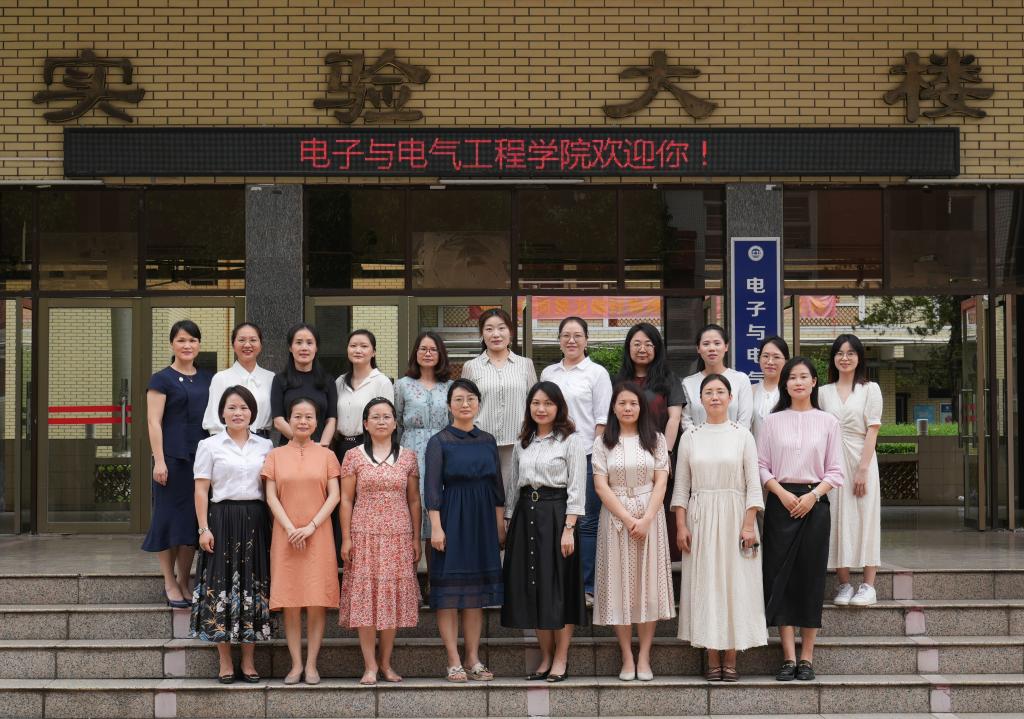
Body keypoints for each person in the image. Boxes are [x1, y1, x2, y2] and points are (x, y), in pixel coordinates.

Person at [672, 374, 767, 683]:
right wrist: (681, 525)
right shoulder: (691, 436)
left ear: (730, 398)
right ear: (700, 400)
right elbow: (681, 486)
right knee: (706, 585)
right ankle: (712, 655)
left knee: (736, 585)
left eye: (720, 392)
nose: (714, 397)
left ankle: (732, 657)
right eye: (708, 392)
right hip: (700, 519)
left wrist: (749, 525)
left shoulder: (743, 435)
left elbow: (753, 484)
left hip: (737, 518)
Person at [757, 357, 844, 682]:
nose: (797, 382)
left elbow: (836, 470)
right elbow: (761, 465)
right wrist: (781, 493)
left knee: (810, 578)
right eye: (792, 377)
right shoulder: (771, 421)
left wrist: (813, 496)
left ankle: (807, 657)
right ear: (785, 383)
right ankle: (788, 657)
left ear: (814, 382)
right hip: (780, 503)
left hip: (814, 505)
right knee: (780, 577)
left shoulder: (828, 422)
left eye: (803, 377)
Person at [502, 381, 588, 684]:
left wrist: (569, 528)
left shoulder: (570, 441)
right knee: (533, 586)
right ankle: (546, 656)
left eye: (548, 403)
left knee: (559, 587)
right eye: (536, 403)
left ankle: (561, 657)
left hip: (557, 514)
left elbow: (577, 487)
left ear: (558, 407)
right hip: (526, 514)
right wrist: (508, 521)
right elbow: (513, 485)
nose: (541, 409)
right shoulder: (523, 442)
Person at [190, 385, 274, 684]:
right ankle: (225, 660)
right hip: (221, 519)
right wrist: (203, 528)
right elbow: (201, 490)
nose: (238, 413)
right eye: (232, 408)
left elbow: (271, 488)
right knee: (221, 585)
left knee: (253, 586)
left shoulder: (265, 445)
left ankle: (249, 660)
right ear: (222, 412)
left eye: (244, 408)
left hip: (255, 519)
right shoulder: (209, 445)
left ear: (252, 412)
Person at [424, 378, 505, 682]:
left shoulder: (488, 440)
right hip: (451, 518)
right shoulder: (439, 441)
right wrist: (436, 528)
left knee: (475, 594)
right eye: (458, 399)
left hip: (482, 520)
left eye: (470, 398)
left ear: (478, 403)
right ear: (449, 406)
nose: (465, 404)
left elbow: (497, 487)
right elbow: (432, 489)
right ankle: (453, 660)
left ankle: (472, 658)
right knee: (448, 593)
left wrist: (499, 525)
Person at [592, 382, 674, 682]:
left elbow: (661, 481)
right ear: (613, 408)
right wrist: (628, 519)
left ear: (641, 408)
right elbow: (601, 486)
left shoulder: (656, 439)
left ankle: (644, 656)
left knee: (648, 586)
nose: (628, 408)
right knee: (619, 586)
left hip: (650, 517)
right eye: (622, 403)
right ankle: (627, 655)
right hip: (616, 519)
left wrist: (647, 518)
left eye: (633, 403)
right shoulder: (603, 442)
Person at [339, 397, 421, 686]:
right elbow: (346, 500)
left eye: (387, 416)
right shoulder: (353, 456)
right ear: (365, 423)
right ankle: (370, 665)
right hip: (364, 534)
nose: (381, 421)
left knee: (391, 599)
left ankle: (385, 663)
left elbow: (414, 500)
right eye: (375, 417)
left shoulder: (409, 457)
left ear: (396, 423)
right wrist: (346, 538)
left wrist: (416, 537)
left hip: (398, 535)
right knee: (366, 598)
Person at [262, 397, 342, 686]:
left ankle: (311, 665)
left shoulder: (327, 455)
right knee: (291, 601)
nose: (303, 421)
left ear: (317, 422)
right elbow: (271, 496)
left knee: (317, 601)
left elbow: (335, 495)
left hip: (318, 535)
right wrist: (289, 527)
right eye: (297, 416)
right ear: (288, 420)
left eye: (309, 416)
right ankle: (295, 664)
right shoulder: (275, 455)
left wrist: (310, 527)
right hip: (285, 536)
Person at [540, 316, 612, 605]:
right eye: (566, 335)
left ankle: (587, 586)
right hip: (553, 455)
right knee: (557, 518)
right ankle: (559, 582)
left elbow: (602, 419)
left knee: (587, 522)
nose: (571, 340)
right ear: (559, 340)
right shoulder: (549, 373)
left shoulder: (597, 373)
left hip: (586, 454)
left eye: (577, 335)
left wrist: (596, 457)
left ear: (586, 340)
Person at [142, 320, 212, 608]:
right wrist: (159, 460)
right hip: (171, 460)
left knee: (191, 523)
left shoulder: (208, 378)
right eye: (182, 340)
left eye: (192, 340)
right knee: (168, 519)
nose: (187, 345)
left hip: (200, 459)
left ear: (199, 345)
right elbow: (153, 422)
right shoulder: (161, 379)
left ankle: (184, 580)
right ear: (172, 344)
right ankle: (169, 581)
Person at [819, 334, 882, 607]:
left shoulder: (870, 389)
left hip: (861, 458)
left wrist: (862, 469)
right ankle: (844, 583)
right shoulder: (823, 392)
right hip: (832, 461)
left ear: (859, 357)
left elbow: (873, 429)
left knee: (866, 516)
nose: (844, 358)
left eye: (850, 353)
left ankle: (868, 585)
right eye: (839, 353)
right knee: (835, 517)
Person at [616, 322, 685, 560]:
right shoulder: (619, 381)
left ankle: (661, 568)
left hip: (659, 456)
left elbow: (674, 418)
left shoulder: (669, 379)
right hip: (626, 458)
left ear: (657, 348)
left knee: (659, 511)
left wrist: (665, 455)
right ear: (628, 348)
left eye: (648, 344)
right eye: (636, 344)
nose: (642, 349)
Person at [460, 307, 537, 491]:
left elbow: (534, 403)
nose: (496, 334)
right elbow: (464, 407)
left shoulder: (525, 365)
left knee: (515, 495)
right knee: (483, 493)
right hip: (480, 443)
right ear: (482, 334)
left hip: (519, 443)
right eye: (489, 329)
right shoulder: (471, 367)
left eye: (501, 328)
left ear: (510, 332)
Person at [334, 329, 394, 555]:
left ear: (373, 352)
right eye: (353, 346)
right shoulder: (339, 382)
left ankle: (369, 554)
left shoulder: (381, 382)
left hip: (368, 446)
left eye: (364, 346)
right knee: (343, 501)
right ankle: (344, 551)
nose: (358, 350)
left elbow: (386, 419)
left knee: (366, 503)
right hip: (342, 447)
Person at [394, 331, 452, 552]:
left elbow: (453, 421)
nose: (428, 353)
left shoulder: (449, 386)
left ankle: (435, 565)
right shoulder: (402, 385)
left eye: (433, 349)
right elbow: (397, 420)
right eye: (423, 349)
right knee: (411, 502)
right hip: (411, 449)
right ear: (415, 353)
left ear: (441, 354)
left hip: (443, 450)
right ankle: (409, 564)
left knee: (437, 502)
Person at [202, 322, 275, 438]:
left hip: (262, 440)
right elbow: (214, 419)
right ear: (233, 345)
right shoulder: (221, 378)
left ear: (261, 345)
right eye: (241, 340)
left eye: (253, 340)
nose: (247, 345)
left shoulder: (270, 378)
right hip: (228, 440)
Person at [270, 323, 337, 447]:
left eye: (309, 343)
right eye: (299, 342)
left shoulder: (327, 380)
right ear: (290, 347)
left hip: (320, 447)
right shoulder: (280, 380)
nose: (304, 348)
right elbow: (278, 420)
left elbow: (331, 420)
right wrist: (303, 443)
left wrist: (322, 445)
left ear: (316, 348)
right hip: (289, 448)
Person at [682, 324, 752, 432]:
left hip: (734, 441)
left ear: (726, 347)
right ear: (698, 349)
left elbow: (744, 421)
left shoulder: (741, 379)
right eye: (706, 344)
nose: (712, 348)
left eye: (717, 343)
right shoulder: (688, 383)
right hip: (699, 441)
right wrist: (699, 438)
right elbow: (686, 422)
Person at [750, 336, 790, 441]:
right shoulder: (750, 391)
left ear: (786, 361)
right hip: (755, 450)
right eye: (765, 356)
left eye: (776, 357)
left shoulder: (791, 391)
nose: (770, 362)